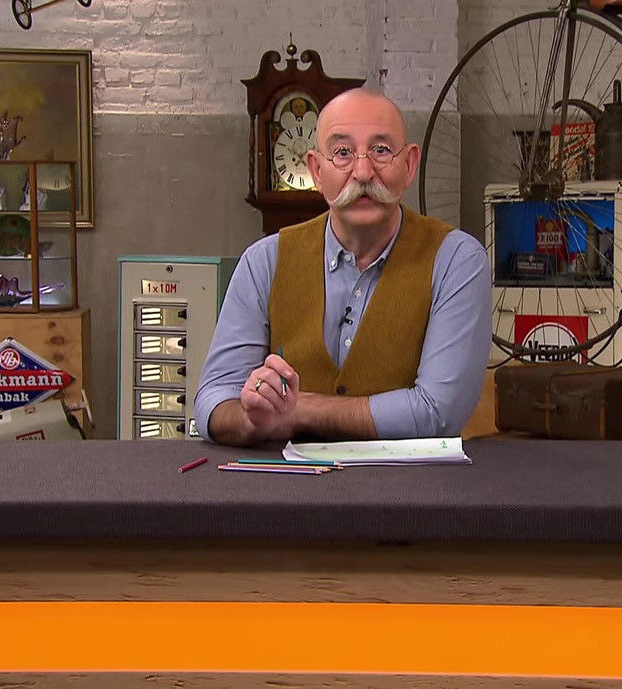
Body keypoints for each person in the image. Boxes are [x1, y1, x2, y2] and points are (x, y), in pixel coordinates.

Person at [194, 89, 492, 447]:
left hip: (408, 483)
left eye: (381, 150)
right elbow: (213, 401)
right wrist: (252, 417)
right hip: (283, 482)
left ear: (409, 165)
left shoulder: (457, 260)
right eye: (342, 153)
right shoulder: (264, 262)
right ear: (316, 171)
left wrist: (301, 409)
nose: (363, 172)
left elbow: (437, 412)